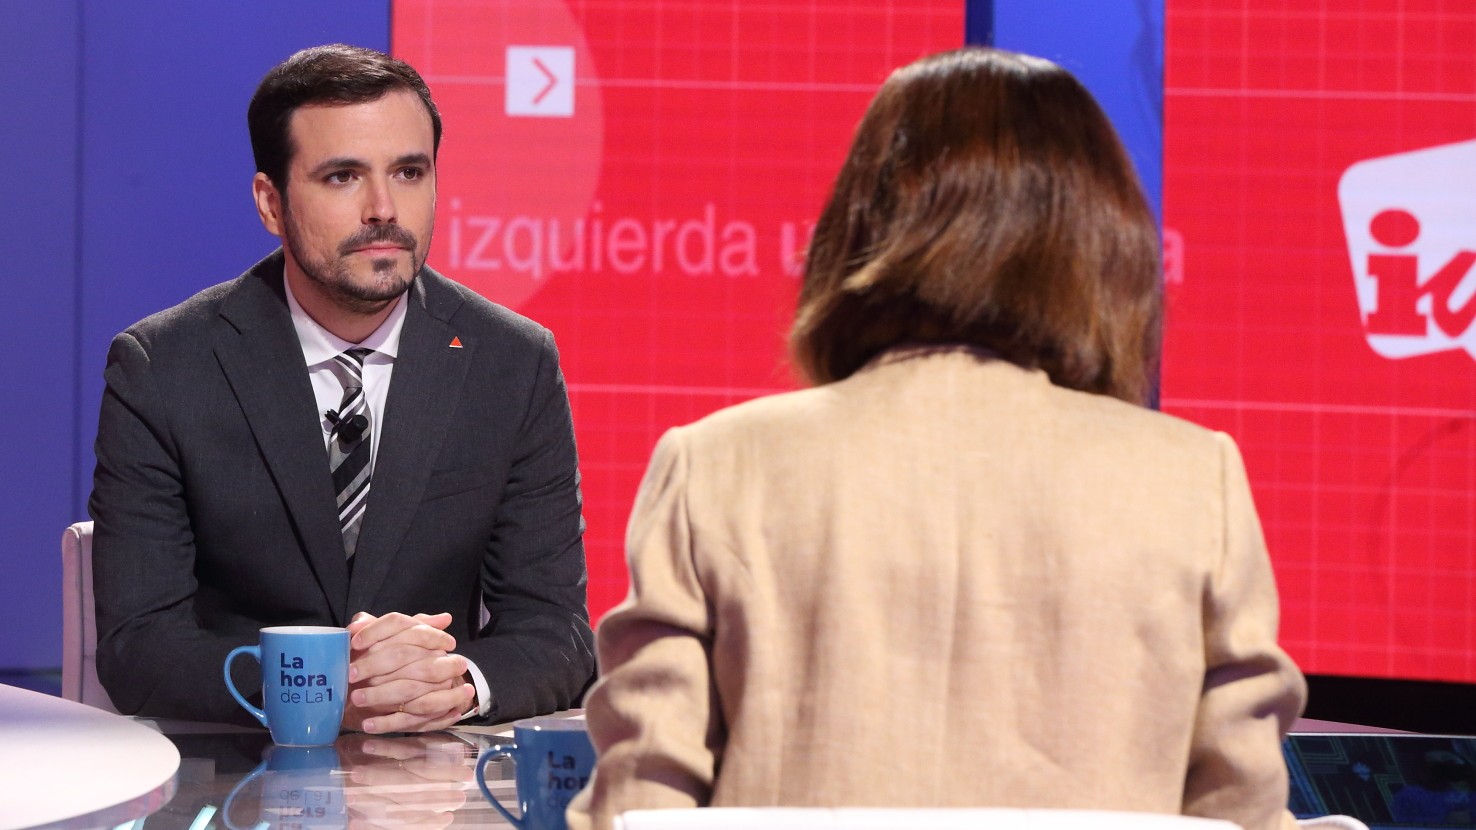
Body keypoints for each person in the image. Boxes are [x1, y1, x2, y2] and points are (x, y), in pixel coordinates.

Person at [566, 47, 1306, 830]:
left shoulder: (718, 464)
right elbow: (1242, 811)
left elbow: (637, 808)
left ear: (860, 222)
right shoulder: (1192, 481)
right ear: (1105, 240)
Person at [90, 44, 594, 732]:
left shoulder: (511, 363)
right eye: (342, 177)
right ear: (271, 203)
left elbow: (557, 633)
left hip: (434, 761)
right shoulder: (164, 367)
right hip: (238, 764)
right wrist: (321, 686)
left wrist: (454, 683)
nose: (383, 209)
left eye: (409, 172)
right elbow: (139, 647)